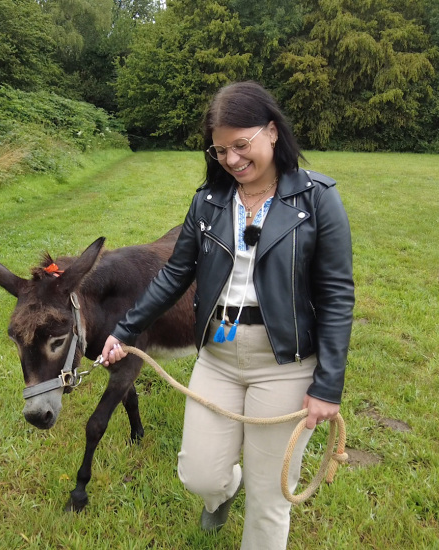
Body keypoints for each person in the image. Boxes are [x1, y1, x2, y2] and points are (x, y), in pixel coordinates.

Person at [100, 81, 354, 549]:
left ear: (272, 132)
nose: (232, 160)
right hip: (216, 355)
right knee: (200, 475)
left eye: (242, 145)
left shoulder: (317, 199)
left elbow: (337, 295)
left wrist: (328, 385)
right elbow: (175, 275)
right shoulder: (209, 202)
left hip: (285, 366)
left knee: (269, 497)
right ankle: (225, 490)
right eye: (220, 151)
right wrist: (124, 330)